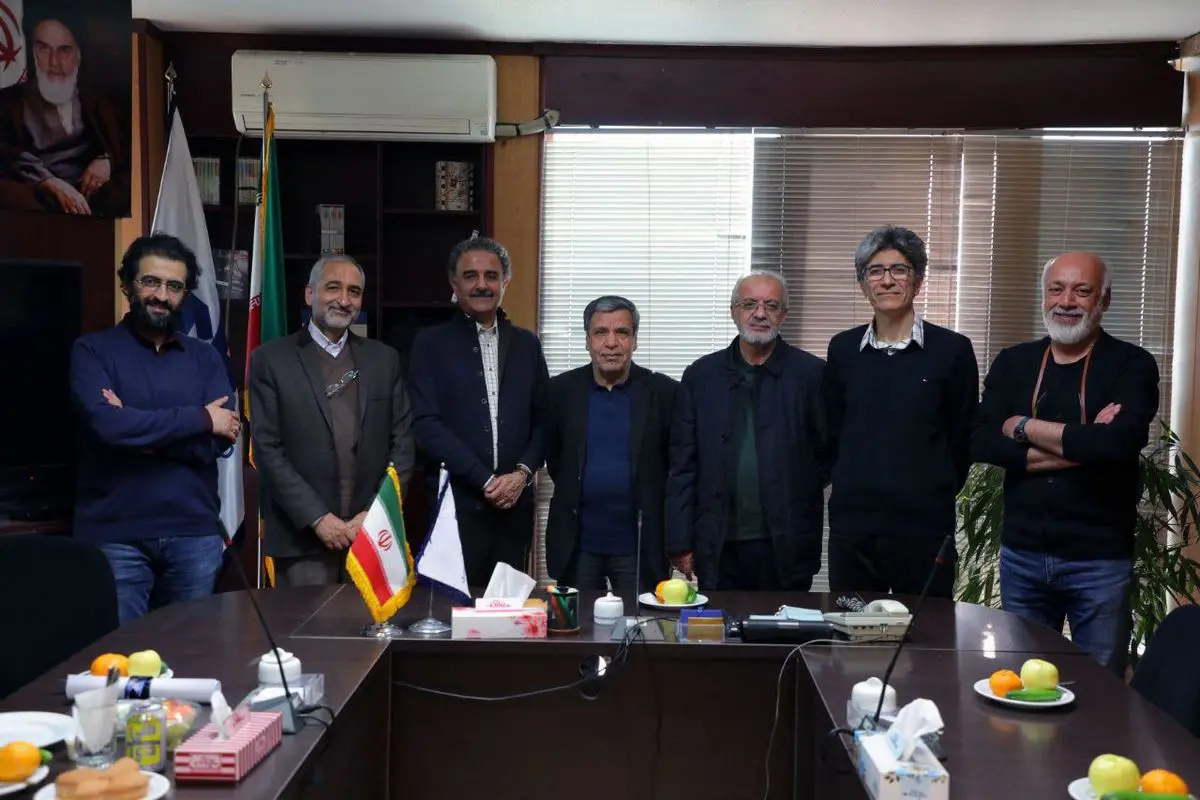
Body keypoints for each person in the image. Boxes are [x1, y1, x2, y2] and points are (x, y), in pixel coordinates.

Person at [973, 251, 1159, 677]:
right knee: (1022, 681)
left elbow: (1118, 444)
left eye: (1082, 290)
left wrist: (1020, 425)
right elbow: (980, 441)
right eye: (1056, 289)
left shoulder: (1132, 365)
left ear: (1104, 300)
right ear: (1044, 296)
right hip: (1022, 554)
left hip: (1099, 561)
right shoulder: (1014, 362)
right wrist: (1083, 442)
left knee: (1102, 687)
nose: (1067, 301)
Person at [68, 234, 238, 625]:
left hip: (194, 534)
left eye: (174, 286)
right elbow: (108, 427)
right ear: (127, 285)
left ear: (185, 295)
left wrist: (136, 431)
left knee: (188, 652)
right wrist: (200, 418)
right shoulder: (92, 351)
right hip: (115, 536)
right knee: (120, 656)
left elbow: (216, 443)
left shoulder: (205, 357)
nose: (162, 295)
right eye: (151, 282)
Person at [824, 226, 978, 599]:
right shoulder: (842, 350)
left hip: (924, 526)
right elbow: (831, 430)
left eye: (899, 270)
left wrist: (933, 486)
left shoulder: (953, 350)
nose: (887, 280)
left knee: (926, 630)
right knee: (852, 626)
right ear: (864, 285)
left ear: (918, 281)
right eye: (875, 271)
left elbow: (962, 436)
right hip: (854, 526)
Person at [248, 255, 415, 587]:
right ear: (310, 294)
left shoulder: (384, 359)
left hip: (371, 536)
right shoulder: (270, 360)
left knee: (369, 623)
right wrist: (318, 518)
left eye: (354, 291)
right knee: (308, 623)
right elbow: (267, 450)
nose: (344, 299)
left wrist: (374, 514)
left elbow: (403, 444)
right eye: (333, 288)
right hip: (302, 539)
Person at [666, 270, 827, 591]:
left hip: (788, 543)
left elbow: (828, 455)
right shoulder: (701, 376)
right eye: (750, 304)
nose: (760, 313)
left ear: (784, 314)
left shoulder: (812, 375)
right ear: (733, 311)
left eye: (771, 305)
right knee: (718, 623)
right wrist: (680, 541)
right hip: (717, 543)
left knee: (787, 623)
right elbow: (683, 464)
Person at [409, 236, 548, 588]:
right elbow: (425, 423)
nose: (482, 284)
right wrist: (485, 479)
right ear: (454, 283)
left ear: (505, 282)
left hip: (515, 508)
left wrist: (522, 474)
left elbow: (545, 421)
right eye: (471, 276)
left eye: (491, 276)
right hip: (454, 507)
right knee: (455, 607)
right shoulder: (429, 344)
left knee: (509, 608)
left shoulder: (527, 345)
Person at [543, 296, 677, 593]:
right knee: (578, 622)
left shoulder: (665, 393)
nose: (611, 343)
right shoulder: (559, 392)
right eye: (601, 332)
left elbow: (676, 467)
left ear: (635, 341)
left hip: (639, 548)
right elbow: (555, 458)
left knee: (641, 621)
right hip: (578, 546)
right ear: (587, 341)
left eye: (622, 333)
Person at [0, 17, 128, 216]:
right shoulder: (10, 102)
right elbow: (7, 153)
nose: (54, 62)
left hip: (93, 200)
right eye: (44, 49)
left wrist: (106, 160)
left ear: (78, 56)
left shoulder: (97, 103)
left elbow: (125, 144)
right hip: (36, 197)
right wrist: (50, 183)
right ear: (32, 52)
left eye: (64, 50)